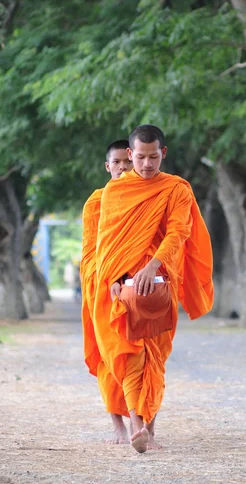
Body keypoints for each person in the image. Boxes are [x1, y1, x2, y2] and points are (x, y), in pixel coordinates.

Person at [93, 124, 214, 453]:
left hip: (162, 282)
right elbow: (107, 245)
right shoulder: (114, 193)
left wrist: (153, 265)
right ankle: (135, 426)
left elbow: (179, 232)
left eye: (153, 157)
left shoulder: (176, 189)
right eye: (141, 157)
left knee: (155, 357)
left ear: (164, 153)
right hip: (124, 287)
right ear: (130, 156)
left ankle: (150, 427)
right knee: (129, 353)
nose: (147, 164)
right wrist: (114, 280)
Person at [80, 140, 133, 444]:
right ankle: (117, 424)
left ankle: (145, 422)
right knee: (108, 355)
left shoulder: (145, 200)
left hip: (137, 287)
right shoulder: (96, 202)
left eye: (128, 162)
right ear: (107, 166)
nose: (123, 169)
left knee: (143, 354)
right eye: (117, 163)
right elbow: (90, 252)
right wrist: (107, 277)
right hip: (101, 288)